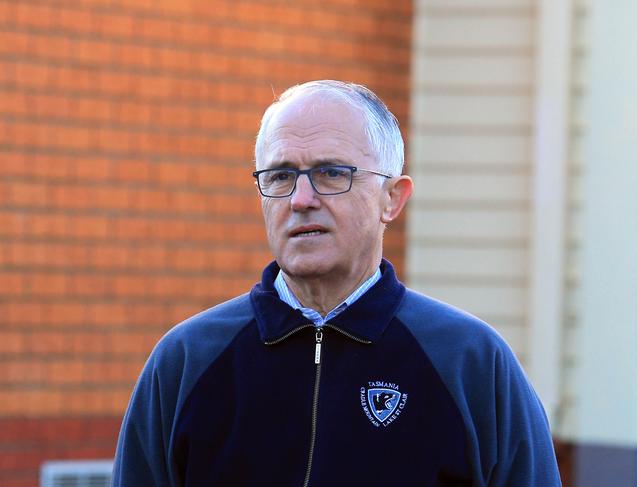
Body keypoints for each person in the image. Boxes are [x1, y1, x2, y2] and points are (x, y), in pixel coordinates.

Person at [112, 80, 562, 486]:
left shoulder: (470, 363)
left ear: (392, 198)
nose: (301, 200)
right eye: (281, 176)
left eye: (331, 173)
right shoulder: (188, 361)